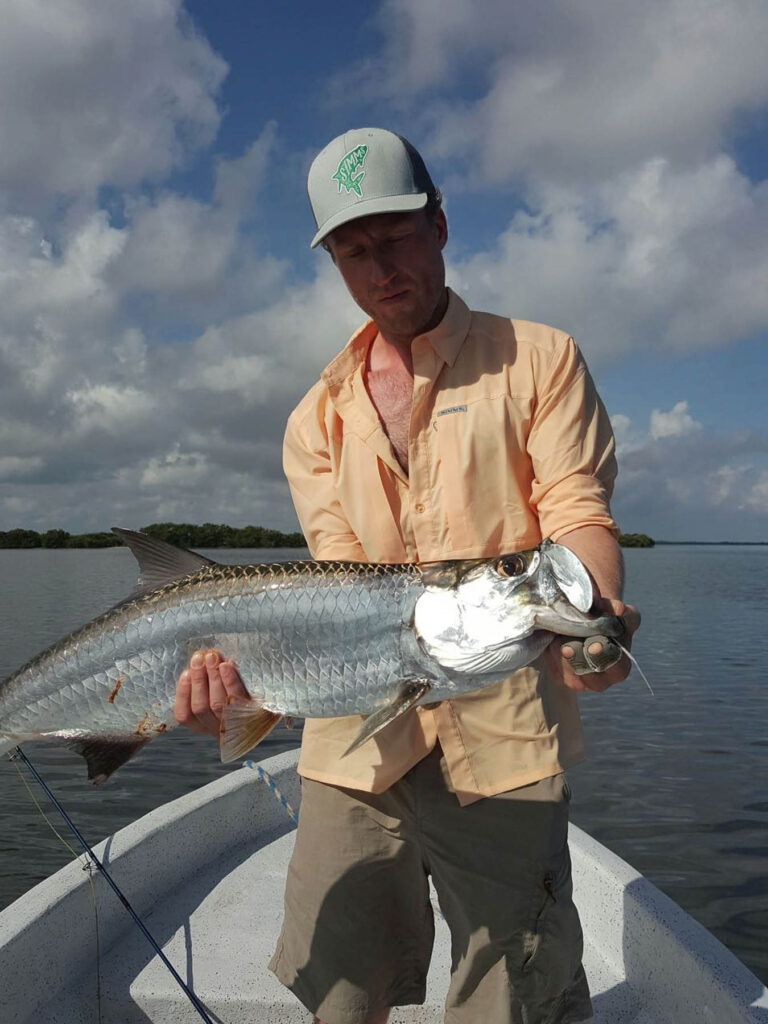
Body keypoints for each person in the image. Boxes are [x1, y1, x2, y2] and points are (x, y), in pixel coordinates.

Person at [174, 128, 641, 1024]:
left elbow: (577, 512)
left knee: (512, 995)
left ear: (440, 225)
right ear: (334, 263)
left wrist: (593, 617)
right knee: (343, 993)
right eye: (353, 251)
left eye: (395, 237)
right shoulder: (315, 418)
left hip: (504, 740)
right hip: (353, 747)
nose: (379, 266)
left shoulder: (537, 358)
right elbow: (344, 588)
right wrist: (233, 697)